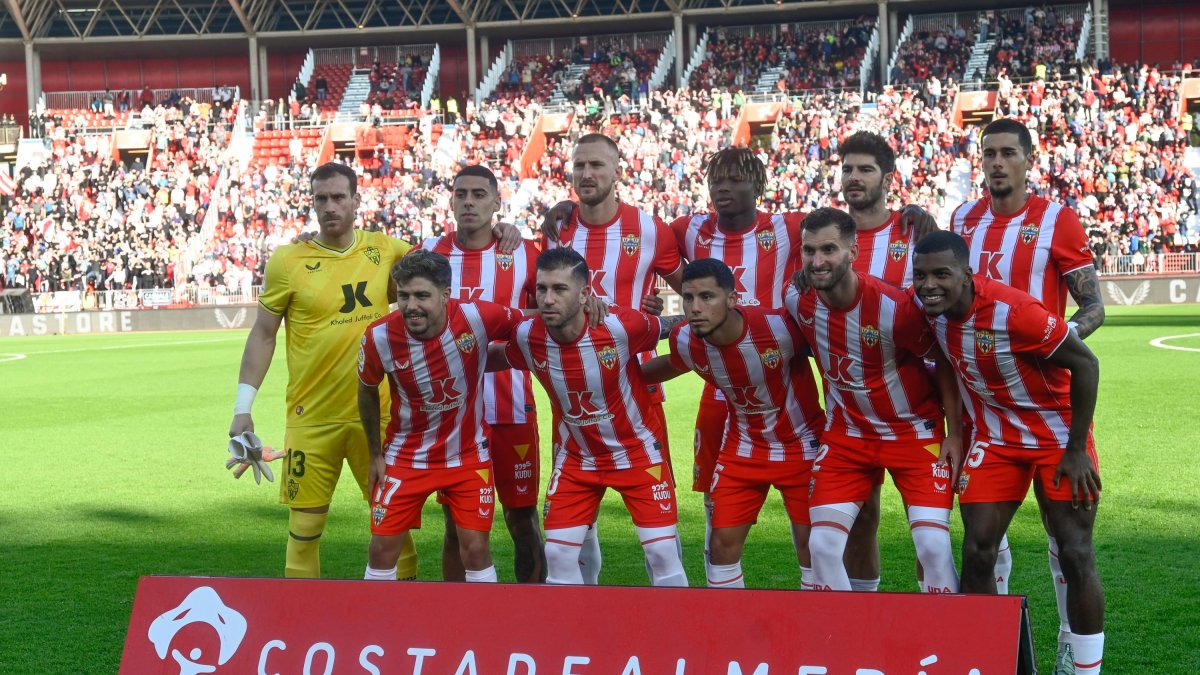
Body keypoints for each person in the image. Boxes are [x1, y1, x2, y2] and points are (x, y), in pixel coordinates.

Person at [229, 161, 520, 579]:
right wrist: (243, 406)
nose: (329, 206)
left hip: (381, 419)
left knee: (393, 528)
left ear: (356, 201)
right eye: (320, 198)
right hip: (311, 416)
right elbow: (263, 335)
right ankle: (300, 628)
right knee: (304, 527)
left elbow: (450, 260)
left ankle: (401, 624)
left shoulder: (387, 250)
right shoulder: (287, 260)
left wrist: (502, 229)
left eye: (338, 197)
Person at [913, 231, 1105, 675]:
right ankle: (993, 663)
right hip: (996, 440)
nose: (929, 285)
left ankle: (1085, 670)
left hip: (1057, 438)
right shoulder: (928, 310)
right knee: (978, 551)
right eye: (920, 276)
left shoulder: (1015, 312)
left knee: (1075, 552)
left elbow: (1086, 363)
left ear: (968, 274)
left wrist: (1077, 448)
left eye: (942, 274)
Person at [950, 117, 1105, 654]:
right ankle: (986, 656)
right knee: (980, 544)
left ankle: (1076, 657)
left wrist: (1051, 339)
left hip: (1050, 406)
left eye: (1007, 153)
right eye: (988, 153)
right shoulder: (962, 219)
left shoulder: (1058, 221)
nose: (996, 162)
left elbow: (1094, 305)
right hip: (986, 411)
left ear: (1027, 160)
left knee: (1071, 548)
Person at [784, 208, 960, 594]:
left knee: (932, 546)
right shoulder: (798, 301)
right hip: (847, 437)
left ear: (853, 251)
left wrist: (955, 433)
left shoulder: (894, 309)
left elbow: (943, 360)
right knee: (823, 547)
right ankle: (847, 645)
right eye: (809, 250)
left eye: (829, 249)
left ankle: (946, 645)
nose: (817, 261)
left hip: (914, 434)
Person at [539, 133, 685, 583]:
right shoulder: (556, 231)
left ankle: (673, 628)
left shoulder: (649, 229)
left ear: (618, 170)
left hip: (638, 395)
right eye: (579, 165)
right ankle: (579, 626)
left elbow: (694, 295)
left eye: (598, 165)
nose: (587, 174)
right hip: (572, 401)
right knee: (572, 535)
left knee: (659, 535)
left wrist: (651, 317)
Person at [495, 247, 688, 587]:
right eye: (542, 289)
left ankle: (677, 636)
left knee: (662, 554)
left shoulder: (619, 326)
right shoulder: (528, 336)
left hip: (637, 453)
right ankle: (573, 637)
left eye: (559, 289)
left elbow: (676, 328)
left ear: (585, 293)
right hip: (576, 460)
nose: (547, 299)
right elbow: (491, 356)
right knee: (557, 556)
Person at [640, 259, 824, 589]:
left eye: (707, 297)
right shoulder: (687, 339)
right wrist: (616, 381)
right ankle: (729, 635)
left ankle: (815, 633)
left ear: (732, 299)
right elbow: (672, 364)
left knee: (813, 549)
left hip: (802, 447)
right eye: (688, 298)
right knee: (721, 547)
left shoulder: (779, 327)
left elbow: (830, 351)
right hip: (743, 449)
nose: (695, 308)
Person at [358, 250, 525, 584]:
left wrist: (585, 308)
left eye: (422, 295)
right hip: (405, 457)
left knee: (475, 549)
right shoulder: (379, 336)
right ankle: (377, 629)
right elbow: (366, 389)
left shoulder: (478, 317)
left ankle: (482, 628)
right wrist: (375, 453)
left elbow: (531, 321)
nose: (411, 306)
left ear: (446, 295)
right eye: (403, 296)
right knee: (380, 550)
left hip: (466, 456)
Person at [420, 165, 545, 583]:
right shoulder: (428, 254)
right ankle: (457, 623)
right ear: (451, 200)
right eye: (461, 194)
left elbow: (555, 305)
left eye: (478, 194)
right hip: (451, 414)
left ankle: (530, 615)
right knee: (457, 526)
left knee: (523, 520)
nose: (469, 201)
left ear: (496, 202)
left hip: (510, 405)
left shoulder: (525, 252)